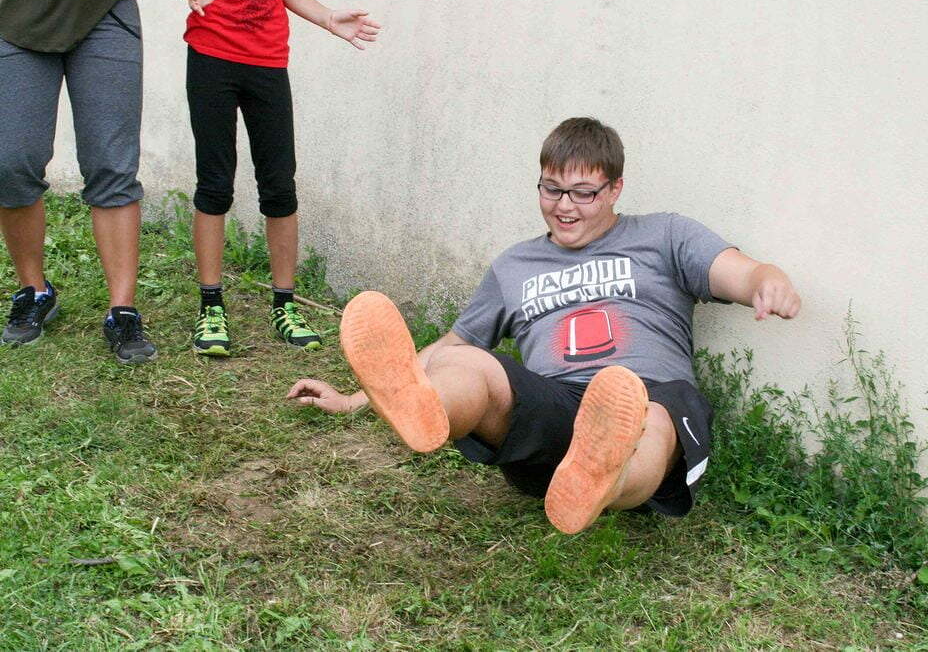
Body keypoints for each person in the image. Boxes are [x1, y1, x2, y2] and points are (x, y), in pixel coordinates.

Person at [288, 118, 801, 534]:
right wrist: (356, 398)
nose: (564, 206)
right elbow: (453, 343)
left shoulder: (665, 234)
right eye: (551, 189)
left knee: (651, 419)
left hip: (648, 393)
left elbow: (741, 272)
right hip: (556, 408)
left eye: (583, 193)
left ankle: (606, 480)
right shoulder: (514, 265)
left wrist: (768, 279)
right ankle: (426, 409)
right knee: (465, 362)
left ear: (615, 188)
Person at [178, 0, 381, 356]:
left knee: (280, 187)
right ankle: (211, 306)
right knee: (214, 185)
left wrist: (327, 18)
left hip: (268, 63)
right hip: (211, 57)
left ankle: (284, 305)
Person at [0, 0, 157, 363]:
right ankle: (34, 291)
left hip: (106, 7)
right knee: (10, 163)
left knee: (112, 164)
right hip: (15, 14)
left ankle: (122, 311)